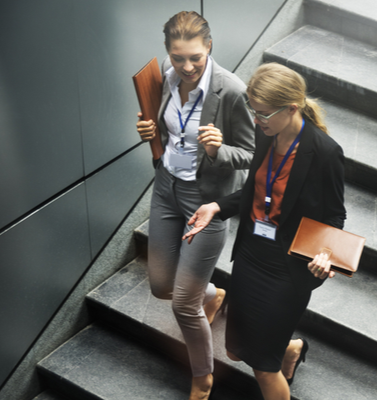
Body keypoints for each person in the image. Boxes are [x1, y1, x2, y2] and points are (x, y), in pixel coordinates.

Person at [183, 62, 346, 400]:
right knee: (234, 351)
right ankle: (290, 349)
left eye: (263, 114)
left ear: (291, 108)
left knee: (262, 365)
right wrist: (217, 206)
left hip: (288, 267)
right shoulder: (265, 134)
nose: (256, 120)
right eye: (254, 111)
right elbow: (256, 191)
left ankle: (278, 357)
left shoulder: (325, 153)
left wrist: (325, 255)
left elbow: (335, 215)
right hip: (251, 253)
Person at [135, 11, 255, 400]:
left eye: (195, 58)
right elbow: (166, 130)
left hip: (206, 200)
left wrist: (219, 150)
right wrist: (147, 129)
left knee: (183, 305)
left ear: (209, 49)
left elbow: (252, 155)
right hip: (166, 188)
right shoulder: (165, 79)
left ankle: (203, 378)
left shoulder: (231, 91)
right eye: (178, 57)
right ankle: (212, 296)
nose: (186, 67)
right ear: (168, 53)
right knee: (160, 286)